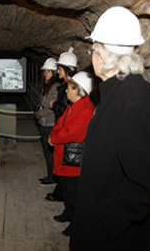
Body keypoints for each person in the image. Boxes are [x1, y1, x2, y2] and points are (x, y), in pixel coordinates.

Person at [70, 6, 150, 251]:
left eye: (93, 49)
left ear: (101, 57)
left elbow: (149, 183)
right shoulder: (117, 93)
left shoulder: (133, 98)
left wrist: (101, 215)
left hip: (113, 238)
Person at [48, 71, 95, 237]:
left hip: (74, 162)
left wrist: (54, 139)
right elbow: (60, 123)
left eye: (69, 88)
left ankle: (77, 224)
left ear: (78, 90)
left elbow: (72, 133)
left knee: (74, 194)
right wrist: (54, 134)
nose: (66, 91)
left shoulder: (86, 110)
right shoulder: (73, 105)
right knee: (67, 191)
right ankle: (68, 213)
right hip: (65, 157)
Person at [45, 48, 78, 202]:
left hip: (66, 133)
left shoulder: (68, 87)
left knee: (64, 167)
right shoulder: (64, 85)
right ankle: (59, 192)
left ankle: (61, 195)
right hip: (61, 128)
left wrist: (55, 105)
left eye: (59, 69)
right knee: (61, 165)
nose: (57, 72)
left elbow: (66, 110)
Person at [35, 58, 59, 186]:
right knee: (47, 152)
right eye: (45, 71)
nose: (46, 73)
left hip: (50, 124)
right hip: (45, 123)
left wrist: (39, 114)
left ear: (54, 73)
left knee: (50, 153)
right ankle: (51, 175)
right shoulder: (46, 85)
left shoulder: (54, 87)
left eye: (48, 71)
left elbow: (51, 108)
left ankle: (52, 177)